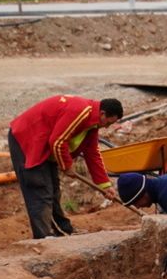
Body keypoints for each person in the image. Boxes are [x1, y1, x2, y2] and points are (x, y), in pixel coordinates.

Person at [7, 94, 122, 239]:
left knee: (53, 191)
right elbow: (58, 141)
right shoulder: (81, 112)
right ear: (103, 113)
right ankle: (43, 237)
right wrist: (67, 165)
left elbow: (92, 153)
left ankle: (63, 230)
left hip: (44, 145)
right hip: (27, 139)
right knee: (40, 190)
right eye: (108, 123)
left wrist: (105, 185)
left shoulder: (92, 123)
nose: (106, 127)